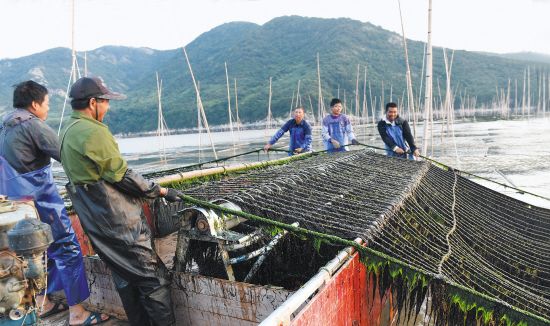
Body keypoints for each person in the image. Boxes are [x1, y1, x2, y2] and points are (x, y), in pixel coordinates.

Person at [59, 77, 180, 326]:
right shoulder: (92, 131)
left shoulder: (67, 131)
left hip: (97, 226)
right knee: (153, 280)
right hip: (118, 221)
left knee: (125, 278)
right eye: (105, 102)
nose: (108, 107)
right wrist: (161, 191)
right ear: (93, 102)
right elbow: (122, 175)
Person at [0, 81, 109, 325]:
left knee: (32, 252)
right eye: (47, 103)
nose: (48, 109)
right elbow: (66, 154)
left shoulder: (4, 124)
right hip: (41, 201)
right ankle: (78, 314)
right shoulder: (32, 125)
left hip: (15, 209)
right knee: (67, 249)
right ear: (35, 104)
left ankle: (43, 303)